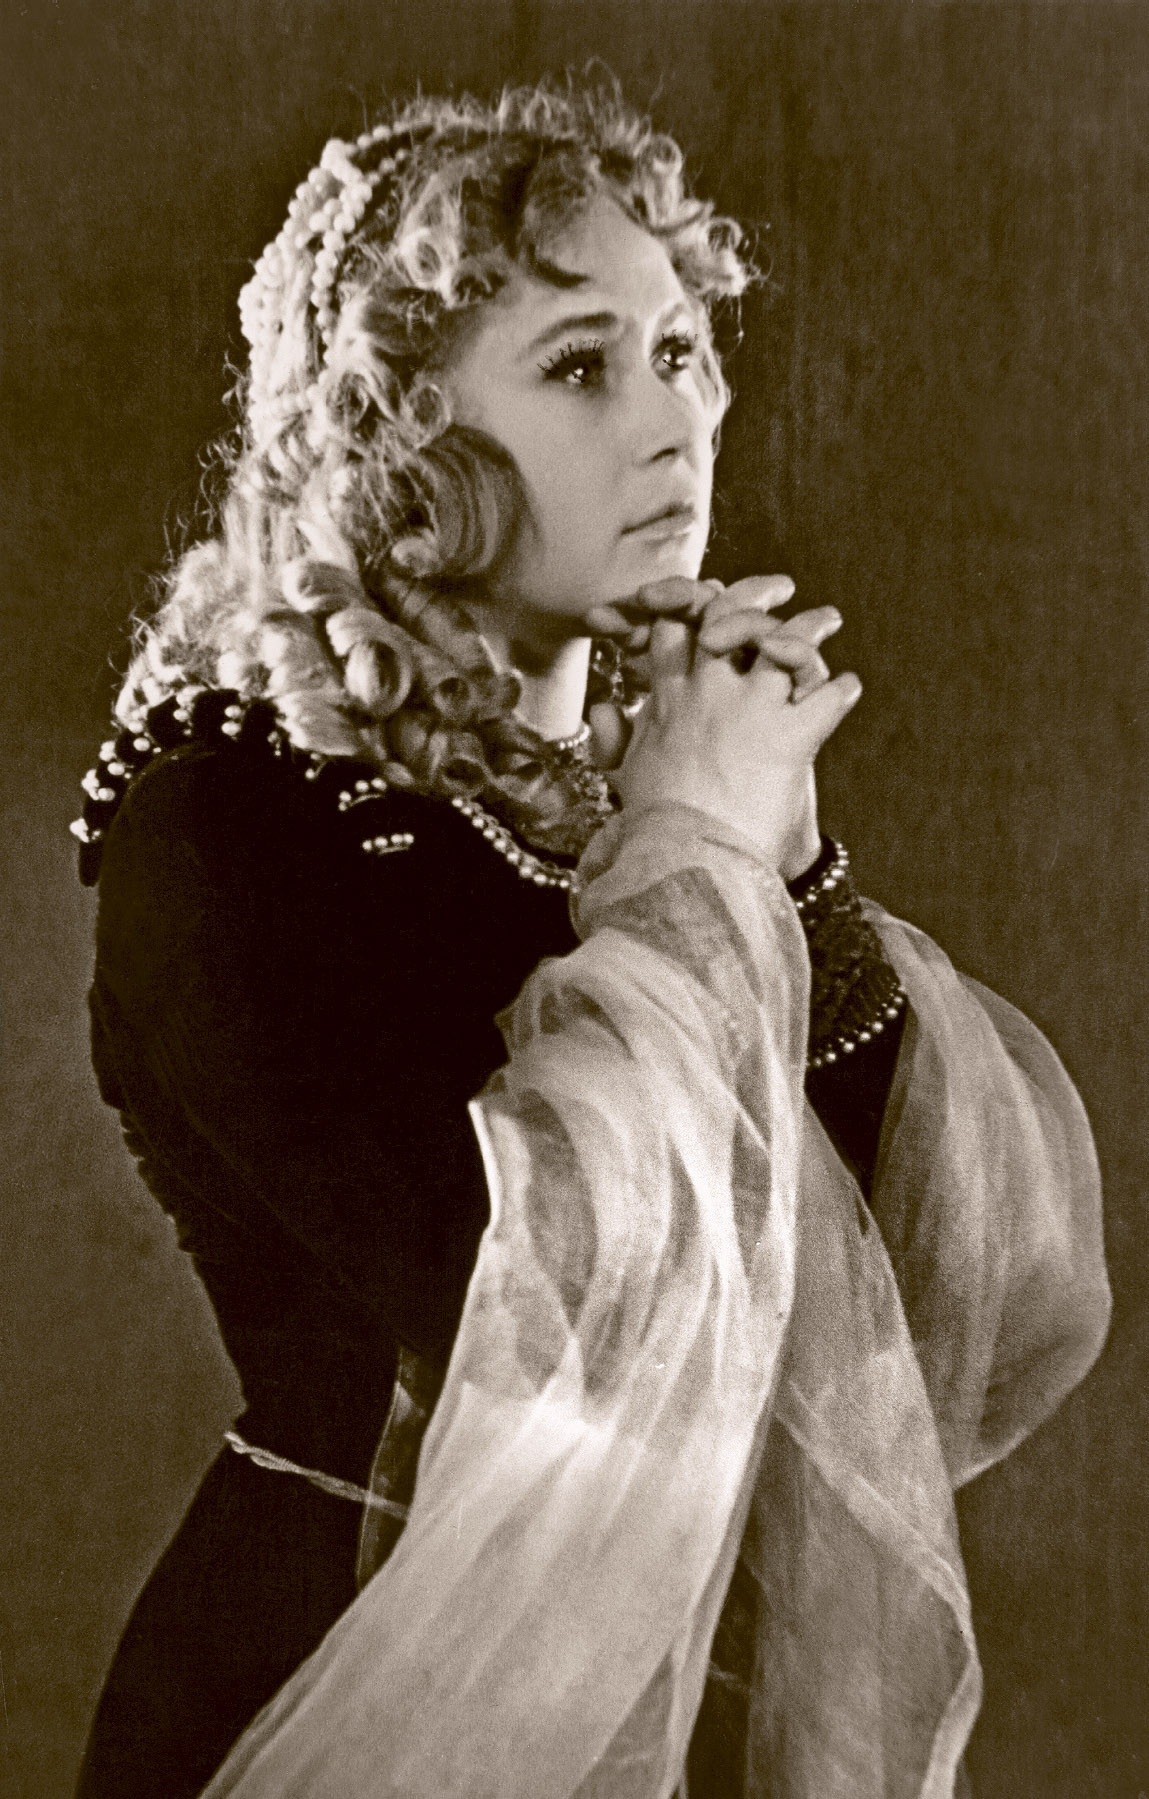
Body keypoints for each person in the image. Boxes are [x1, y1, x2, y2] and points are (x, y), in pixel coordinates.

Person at [72, 79, 1110, 1799]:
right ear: (396, 433)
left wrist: (786, 861)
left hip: (683, 1701)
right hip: (344, 1674)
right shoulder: (232, 817)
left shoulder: (627, 808)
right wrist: (699, 848)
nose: (674, 420)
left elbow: (916, 1312)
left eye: (682, 348)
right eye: (578, 365)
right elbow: (535, 1317)